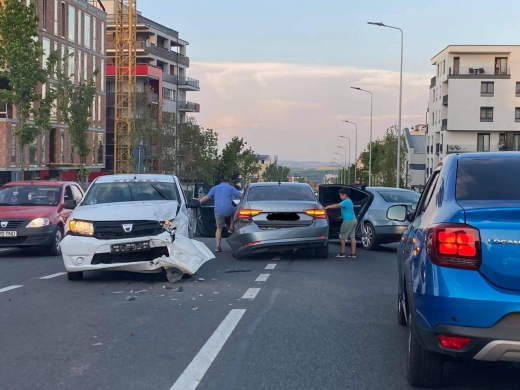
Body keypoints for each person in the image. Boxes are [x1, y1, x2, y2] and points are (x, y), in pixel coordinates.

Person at [199, 179, 242, 252]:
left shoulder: (214, 188)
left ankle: (217, 246)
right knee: (236, 210)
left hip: (218, 211)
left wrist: (198, 201)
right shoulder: (230, 187)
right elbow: (240, 195)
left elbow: (207, 197)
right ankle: (231, 228)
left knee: (219, 228)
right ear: (227, 182)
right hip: (229, 209)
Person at [324, 187, 357, 258]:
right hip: (353, 220)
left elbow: (337, 205)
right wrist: (341, 216)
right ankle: (353, 253)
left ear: (344, 195)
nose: (340, 197)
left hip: (348, 221)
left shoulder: (345, 201)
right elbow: (348, 211)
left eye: (340, 195)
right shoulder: (350, 201)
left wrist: (328, 207)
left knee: (341, 237)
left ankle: (342, 253)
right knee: (352, 237)